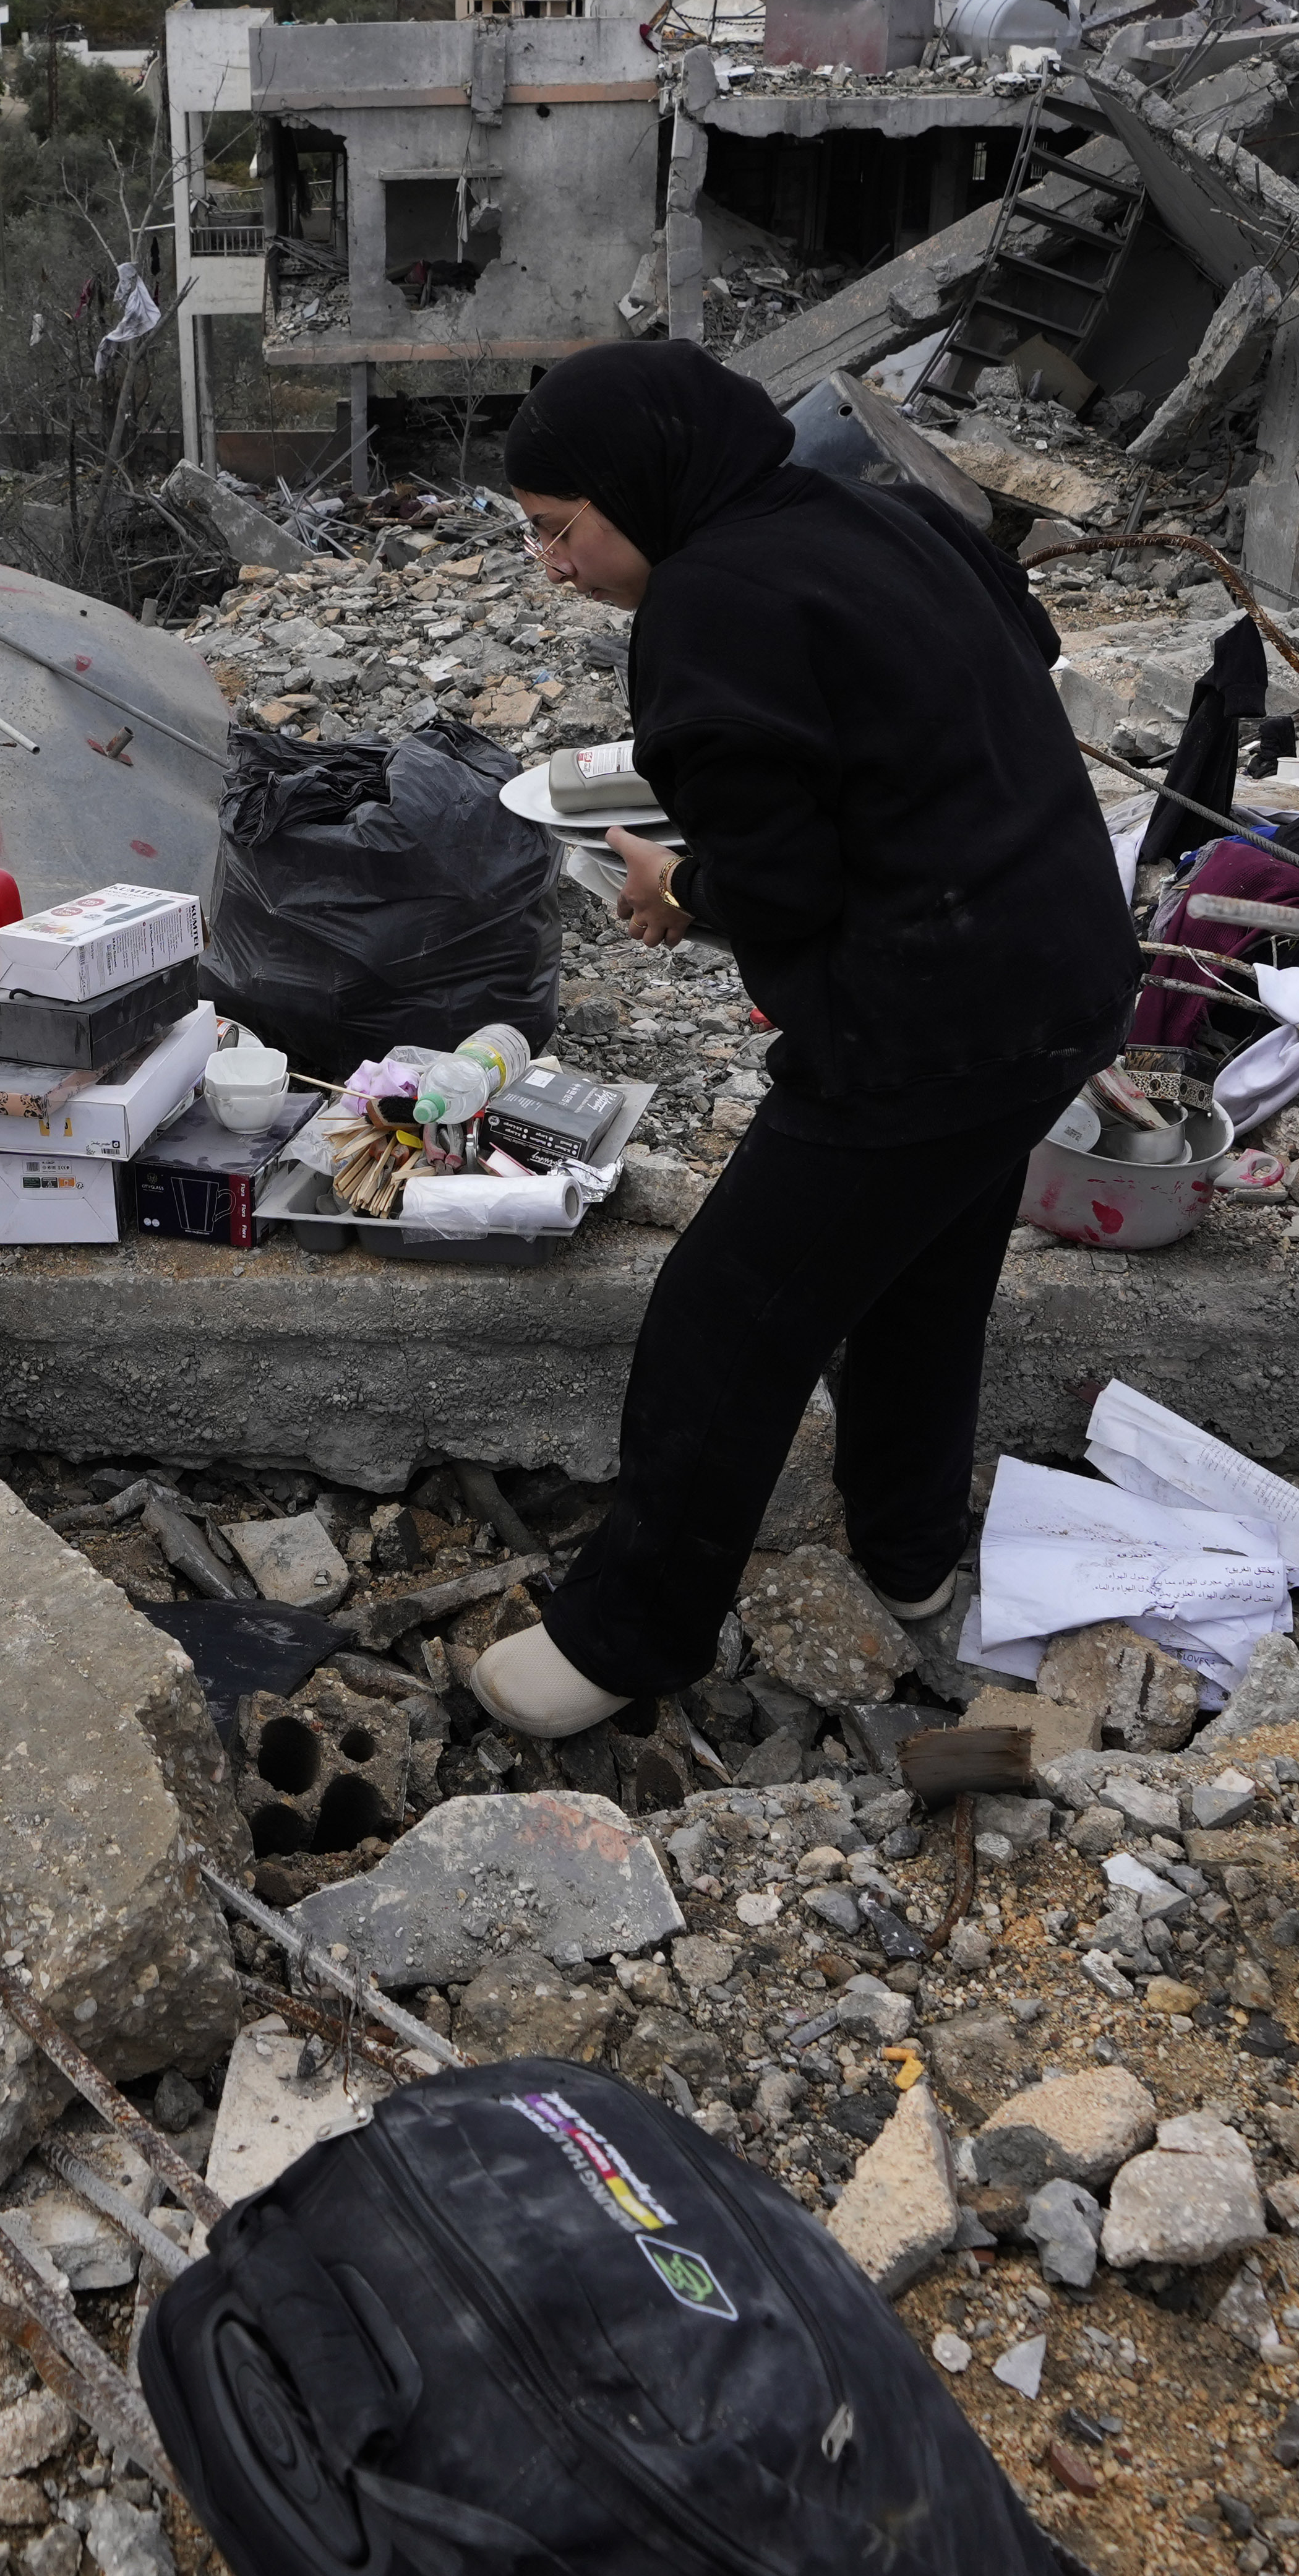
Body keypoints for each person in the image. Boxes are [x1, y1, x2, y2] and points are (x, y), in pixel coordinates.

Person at [463, 342, 1136, 1736]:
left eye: (558, 528)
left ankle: (626, 1637)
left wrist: (680, 886)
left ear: (641, 486)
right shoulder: (870, 512)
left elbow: (783, 885)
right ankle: (907, 1554)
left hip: (926, 1022)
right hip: (1059, 978)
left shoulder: (707, 608)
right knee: (920, 1278)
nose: (553, 566)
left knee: (730, 1320)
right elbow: (1008, 666)